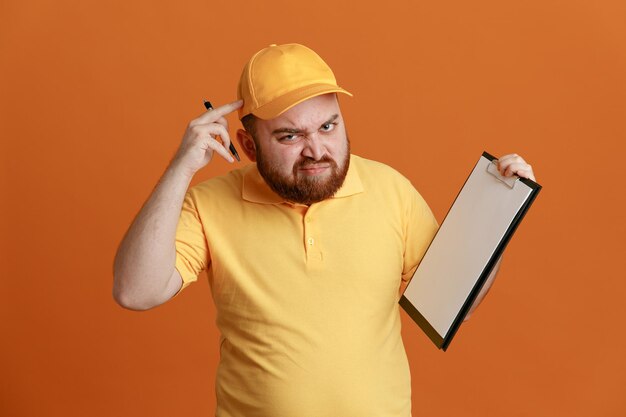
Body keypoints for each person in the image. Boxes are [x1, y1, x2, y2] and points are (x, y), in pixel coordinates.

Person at [113, 43, 536, 417]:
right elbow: (136, 290)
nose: (316, 150)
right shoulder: (210, 205)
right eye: (290, 135)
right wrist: (181, 167)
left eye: (328, 126)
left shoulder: (391, 190)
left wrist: (495, 215)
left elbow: (454, 300)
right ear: (247, 145)